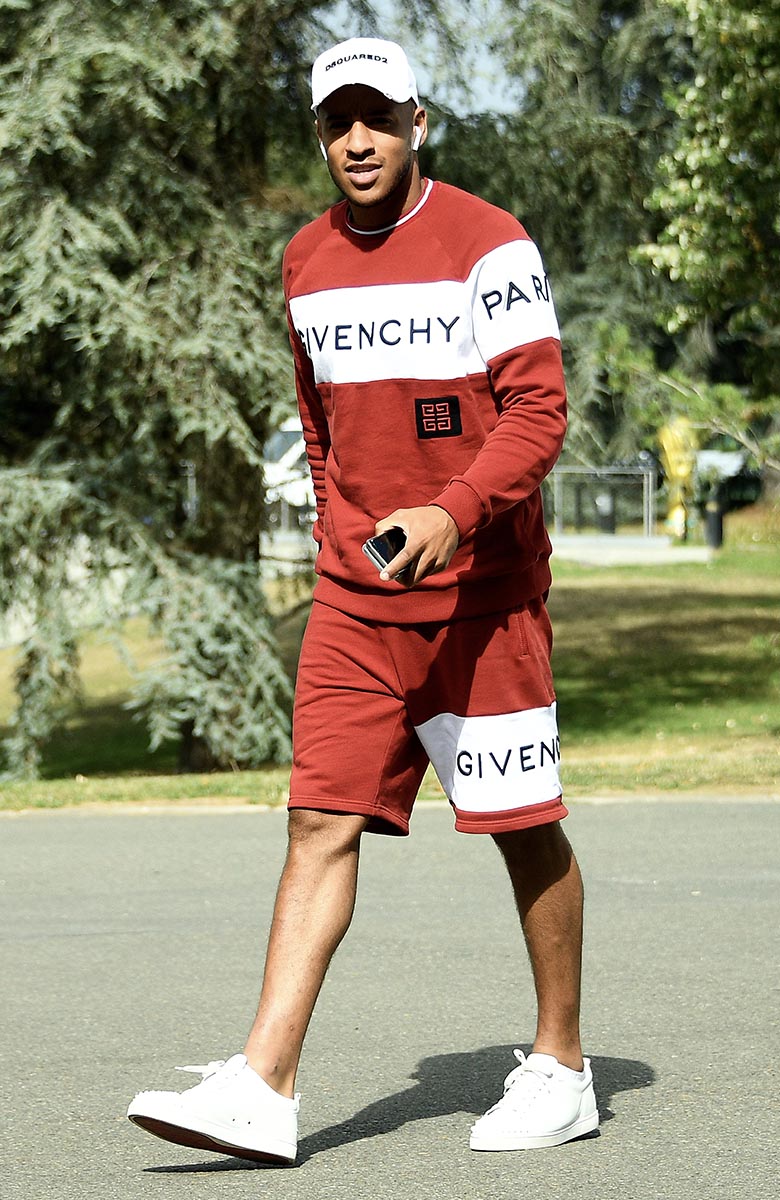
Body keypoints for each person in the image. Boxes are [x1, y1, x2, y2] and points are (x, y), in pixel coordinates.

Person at [127, 36, 598, 1164]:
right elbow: (321, 424)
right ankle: (264, 1084)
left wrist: (453, 511)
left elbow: (538, 413)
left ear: (418, 120)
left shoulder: (490, 243)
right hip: (355, 600)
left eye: (377, 117)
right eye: (337, 121)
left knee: (522, 830)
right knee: (319, 821)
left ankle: (563, 1066)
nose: (357, 140)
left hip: (485, 601)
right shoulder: (303, 260)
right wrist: (347, 537)